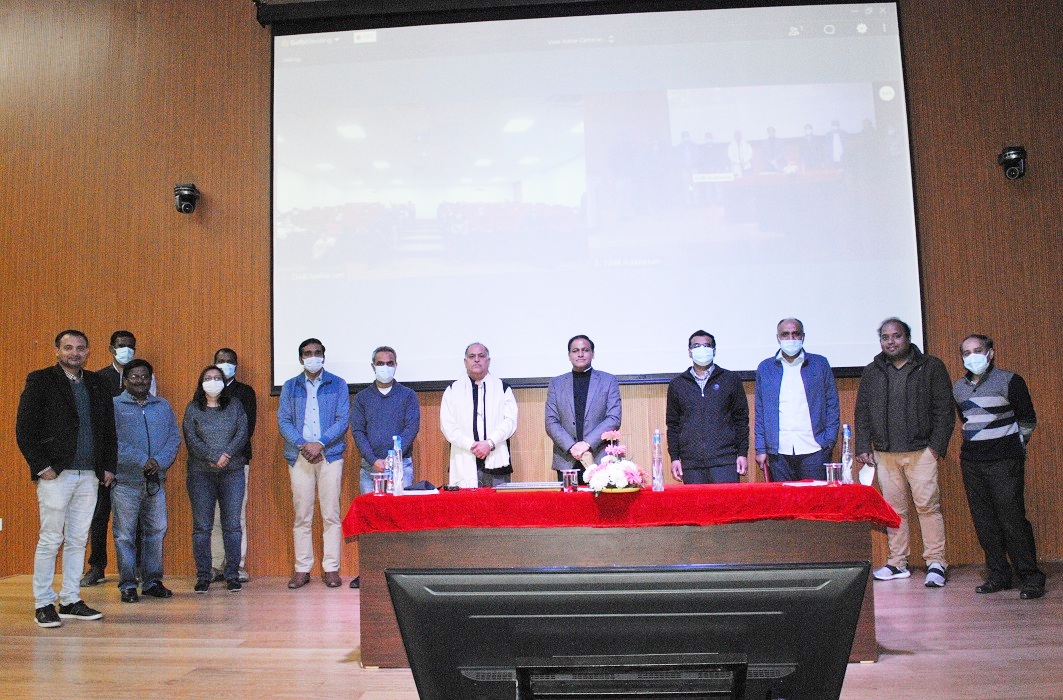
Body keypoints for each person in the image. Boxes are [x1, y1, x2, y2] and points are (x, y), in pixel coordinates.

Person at [16, 330, 116, 628]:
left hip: (89, 474)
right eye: (68, 347)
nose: (75, 353)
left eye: (80, 348)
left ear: (88, 351)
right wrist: (40, 466)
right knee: (51, 539)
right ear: (57, 350)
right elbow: (25, 428)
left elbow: (108, 429)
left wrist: (108, 466)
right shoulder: (41, 380)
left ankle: (70, 599)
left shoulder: (97, 383)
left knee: (78, 539)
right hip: (56, 473)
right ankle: (43, 603)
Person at [855, 317, 954, 587]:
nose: (891, 342)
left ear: (908, 338)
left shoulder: (931, 366)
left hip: (922, 452)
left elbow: (944, 410)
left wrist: (935, 448)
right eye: (885, 337)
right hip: (885, 453)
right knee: (893, 510)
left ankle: (936, 562)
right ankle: (898, 562)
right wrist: (863, 446)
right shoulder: (872, 371)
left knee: (928, 507)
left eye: (896, 336)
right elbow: (862, 411)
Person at [953, 334, 1045, 599]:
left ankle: (1031, 576)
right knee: (985, 521)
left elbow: (1027, 419)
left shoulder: (1010, 381)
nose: (972, 357)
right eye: (966, 353)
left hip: (1005, 461)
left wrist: (1015, 446)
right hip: (972, 462)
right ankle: (999, 574)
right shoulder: (958, 388)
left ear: (990, 353)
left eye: (978, 350)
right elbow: (967, 420)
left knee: (1012, 518)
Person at [83, 329, 155, 587]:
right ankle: (97, 567)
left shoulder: (144, 377)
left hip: (134, 461)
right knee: (99, 515)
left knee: (136, 519)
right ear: (111, 348)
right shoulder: (98, 378)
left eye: (131, 346)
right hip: (105, 458)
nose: (127, 350)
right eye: (121, 345)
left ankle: (137, 567)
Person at [278, 338, 350, 589]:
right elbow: (284, 421)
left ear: (324, 357)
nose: (313, 357)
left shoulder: (338, 384)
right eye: (307, 353)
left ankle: (331, 568)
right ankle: (302, 568)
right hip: (300, 456)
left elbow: (342, 420)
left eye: (317, 353)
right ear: (301, 359)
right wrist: (303, 444)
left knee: (331, 514)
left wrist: (320, 443)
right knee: (302, 515)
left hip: (330, 455)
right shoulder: (290, 386)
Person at [350, 345, 420, 588]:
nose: (385, 367)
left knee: (400, 520)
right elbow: (358, 431)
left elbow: (411, 427)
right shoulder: (362, 398)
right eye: (380, 363)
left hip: (401, 466)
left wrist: (393, 458)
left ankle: (400, 571)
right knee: (370, 521)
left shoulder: (408, 395)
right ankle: (369, 572)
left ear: (396, 365)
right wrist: (373, 460)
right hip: (370, 468)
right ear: (373, 366)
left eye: (389, 363)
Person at [111, 359, 180, 602]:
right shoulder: (115, 406)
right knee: (125, 535)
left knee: (156, 531)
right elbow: (111, 441)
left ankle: (152, 582)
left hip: (155, 482)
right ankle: (128, 584)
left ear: (151, 380)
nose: (140, 381)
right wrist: (142, 460)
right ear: (125, 380)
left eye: (145, 377)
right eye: (135, 377)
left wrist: (158, 461)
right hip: (125, 482)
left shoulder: (162, 405)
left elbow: (174, 437)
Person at [183, 365, 248, 594]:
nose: (213, 381)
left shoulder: (235, 405)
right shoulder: (193, 408)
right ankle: (203, 575)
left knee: (232, 526)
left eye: (217, 378)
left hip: (232, 472)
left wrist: (226, 455)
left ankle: (232, 575)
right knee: (202, 527)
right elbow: (191, 438)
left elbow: (242, 432)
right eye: (208, 378)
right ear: (201, 383)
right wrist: (212, 456)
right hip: (201, 474)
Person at [754, 319, 840, 482]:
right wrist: (761, 448)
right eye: (785, 334)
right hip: (779, 452)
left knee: (814, 497)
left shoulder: (820, 364)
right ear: (778, 338)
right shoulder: (765, 368)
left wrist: (828, 440)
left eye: (796, 334)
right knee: (784, 498)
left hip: (814, 449)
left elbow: (832, 404)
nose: (791, 339)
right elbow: (760, 411)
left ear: (803, 337)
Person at [666, 330, 749, 484]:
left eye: (707, 346)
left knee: (727, 500)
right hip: (691, 464)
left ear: (714, 351)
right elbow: (673, 425)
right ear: (690, 352)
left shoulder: (730, 380)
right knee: (696, 501)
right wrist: (675, 458)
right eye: (696, 346)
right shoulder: (677, 384)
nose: (702, 350)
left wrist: (742, 453)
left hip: (725, 462)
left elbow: (741, 420)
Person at [544, 335, 621, 482]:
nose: (580, 354)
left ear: (593, 353)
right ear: (569, 355)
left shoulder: (608, 381)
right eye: (575, 351)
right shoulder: (556, 383)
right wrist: (572, 446)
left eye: (585, 350)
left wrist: (586, 444)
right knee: (569, 498)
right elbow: (551, 422)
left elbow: (613, 419)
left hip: (600, 459)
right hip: (567, 459)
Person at [440, 343, 518, 487]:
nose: (476, 359)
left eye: (481, 356)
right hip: (464, 460)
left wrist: (489, 443)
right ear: (465, 362)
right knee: (466, 502)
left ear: (488, 361)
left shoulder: (503, 388)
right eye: (472, 356)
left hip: (496, 462)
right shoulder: (452, 390)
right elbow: (448, 426)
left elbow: (510, 421)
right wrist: (472, 445)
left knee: (498, 502)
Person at [209, 348, 257, 584]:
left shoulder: (245, 392)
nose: (225, 364)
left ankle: (236, 565)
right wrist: (212, 455)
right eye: (221, 361)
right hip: (208, 464)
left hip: (237, 462)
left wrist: (227, 453)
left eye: (229, 361)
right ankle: (215, 564)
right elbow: (197, 426)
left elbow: (246, 428)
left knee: (236, 517)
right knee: (214, 516)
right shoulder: (205, 391)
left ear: (236, 366)